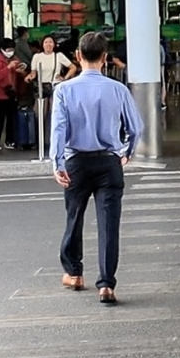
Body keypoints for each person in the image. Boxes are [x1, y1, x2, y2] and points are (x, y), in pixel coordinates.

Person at [50, 32, 144, 304]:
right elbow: (135, 128)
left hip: (76, 161)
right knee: (109, 224)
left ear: (78, 56)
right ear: (105, 58)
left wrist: (57, 162)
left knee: (74, 216)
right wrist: (126, 153)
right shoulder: (118, 89)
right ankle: (106, 284)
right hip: (108, 162)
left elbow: (58, 129)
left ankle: (74, 273)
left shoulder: (64, 90)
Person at [0, 38, 21, 149]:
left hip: (12, 93)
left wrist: (21, 69)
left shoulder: (15, 59)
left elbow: (19, 74)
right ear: (2, 49)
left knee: (11, 119)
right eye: (8, 49)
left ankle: (10, 141)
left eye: (12, 49)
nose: (10, 51)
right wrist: (8, 68)